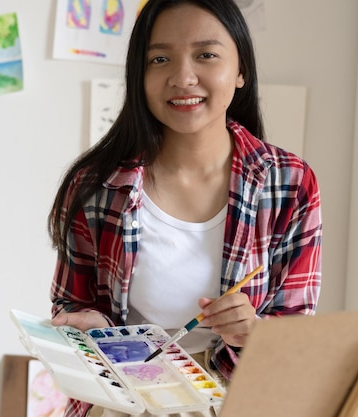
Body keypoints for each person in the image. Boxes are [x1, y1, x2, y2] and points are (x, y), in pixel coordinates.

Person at [47, 0, 322, 416]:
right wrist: (91, 331)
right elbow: (71, 310)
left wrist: (254, 335)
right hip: (125, 404)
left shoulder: (290, 184)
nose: (183, 77)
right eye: (160, 59)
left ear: (241, 69)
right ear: (139, 75)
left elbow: (298, 344)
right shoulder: (94, 186)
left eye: (206, 55)